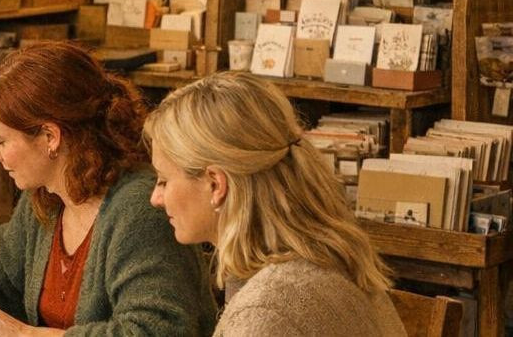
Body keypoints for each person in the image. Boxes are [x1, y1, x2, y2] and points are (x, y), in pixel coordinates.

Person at [0, 42, 216, 335]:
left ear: (50, 137)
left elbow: (155, 331)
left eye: (1, 141)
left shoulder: (140, 210)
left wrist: (25, 334)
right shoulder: (48, 198)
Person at [144, 72, 407, 336]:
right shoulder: (327, 260)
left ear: (215, 184)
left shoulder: (266, 313)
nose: (155, 198)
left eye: (164, 181)